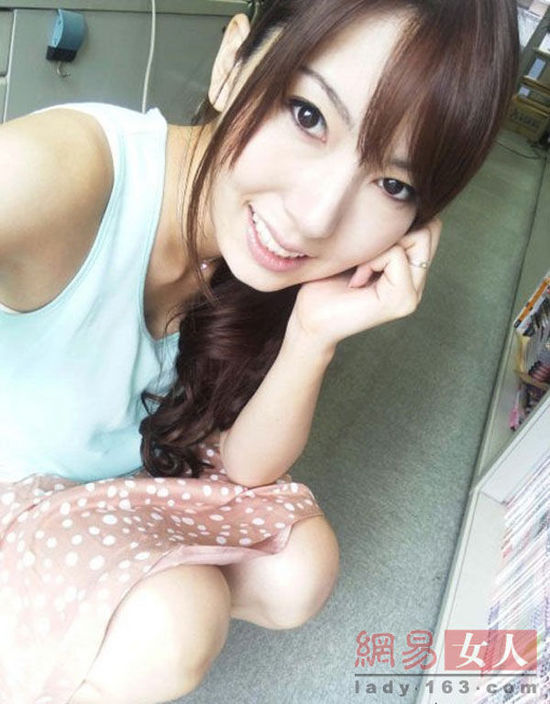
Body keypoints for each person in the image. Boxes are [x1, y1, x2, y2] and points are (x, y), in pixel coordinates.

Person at [0, 0, 518, 702]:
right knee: (174, 623)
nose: (317, 217)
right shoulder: (55, 177)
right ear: (231, 61)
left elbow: (246, 468)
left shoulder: (256, 262)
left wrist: (312, 336)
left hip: (102, 483)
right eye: (309, 116)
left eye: (393, 185)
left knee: (299, 568)